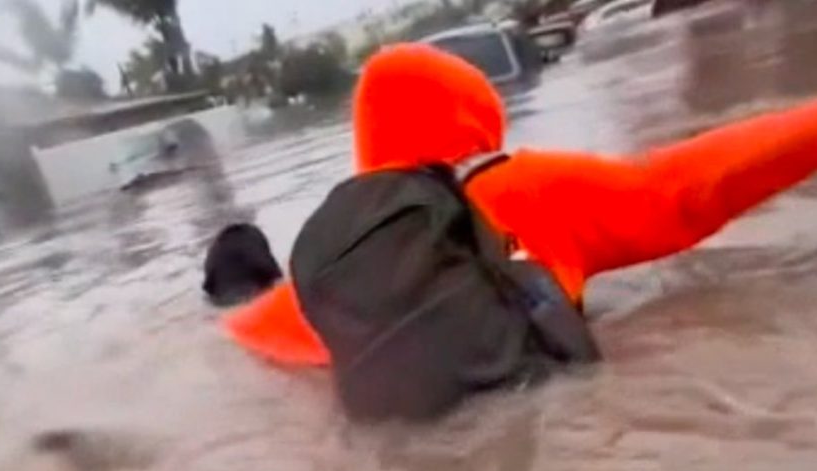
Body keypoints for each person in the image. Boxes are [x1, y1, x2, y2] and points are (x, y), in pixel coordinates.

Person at [223, 43, 817, 369]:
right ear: (475, 116)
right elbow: (678, 191)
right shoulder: (524, 189)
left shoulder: (329, 266)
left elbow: (236, 342)